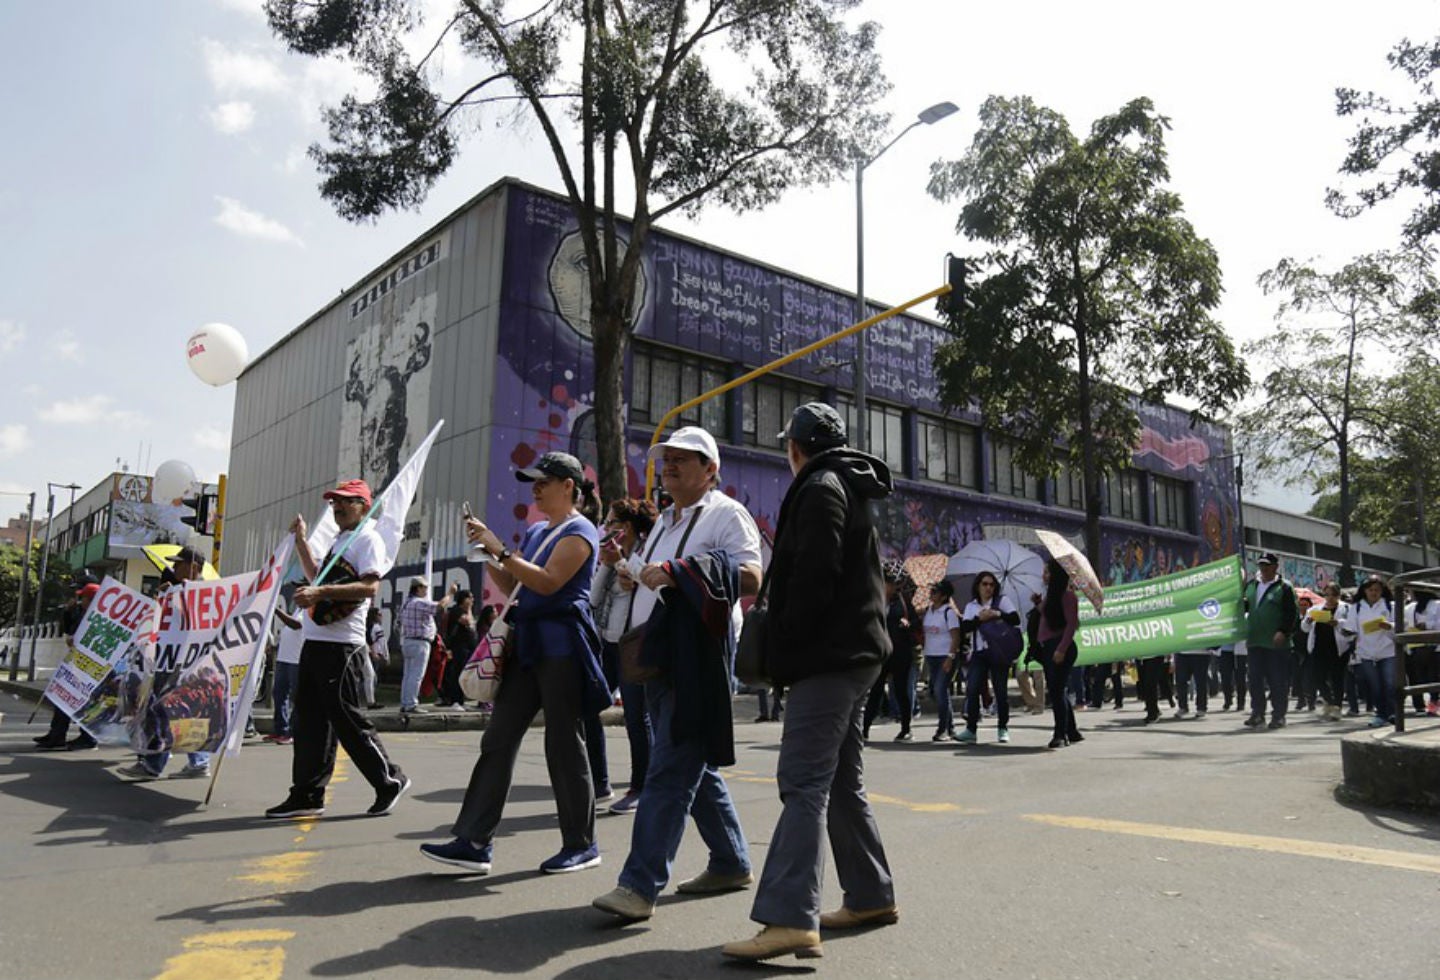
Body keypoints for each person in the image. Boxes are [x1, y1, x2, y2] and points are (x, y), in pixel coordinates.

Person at [722, 402, 896, 962]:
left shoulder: (820, 487)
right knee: (841, 780)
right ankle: (870, 895)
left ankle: (789, 917)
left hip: (829, 658)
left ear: (794, 448)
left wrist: (786, 644)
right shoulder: (847, 483)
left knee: (803, 783)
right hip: (855, 654)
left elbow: (815, 579)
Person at [592, 426, 762, 922]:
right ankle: (730, 862)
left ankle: (638, 885)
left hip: (699, 654)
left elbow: (751, 576)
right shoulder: (665, 519)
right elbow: (655, 577)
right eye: (666, 458)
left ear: (710, 469)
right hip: (658, 652)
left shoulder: (727, 513)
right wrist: (630, 569)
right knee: (692, 762)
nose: (669, 466)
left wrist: (681, 570)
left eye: (683, 459)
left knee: (669, 766)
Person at [420, 451, 610, 874]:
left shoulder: (581, 530)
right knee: (498, 738)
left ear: (569, 487)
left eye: (544, 482)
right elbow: (515, 585)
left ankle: (582, 844)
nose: (536, 489)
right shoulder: (540, 530)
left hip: (562, 645)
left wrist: (501, 550)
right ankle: (474, 841)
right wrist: (487, 554)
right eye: (533, 483)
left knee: (563, 743)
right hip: (527, 644)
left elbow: (549, 582)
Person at [265, 479, 411, 818]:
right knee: (309, 724)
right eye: (334, 502)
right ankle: (307, 795)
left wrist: (318, 593)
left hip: (342, 648)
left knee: (348, 721)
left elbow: (370, 587)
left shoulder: (368, 539)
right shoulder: (340, 540)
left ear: (365, 506)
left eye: (346, 501)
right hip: (315, 642)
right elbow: (316, 577)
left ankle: (390, 780)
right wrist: (301, 542)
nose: (338, 507)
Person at [586, 497, 659, 815]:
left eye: (611, 522)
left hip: (634, 645)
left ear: (626, 527)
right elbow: (592, 598)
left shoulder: (646, 553)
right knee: (589, 706)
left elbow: (643, 587)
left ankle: (642, 787)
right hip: (608, 643)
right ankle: (600, 782)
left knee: (636, 717)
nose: (605, 528)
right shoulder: (610, 554)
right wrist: (607, 563)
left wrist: (621, 564)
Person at [117, 548, 213, 780]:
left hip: (182, 664)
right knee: (178, 713)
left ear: (193, 566)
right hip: (173, 661)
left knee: (162, 711)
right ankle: (196, 762)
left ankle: (154, 764)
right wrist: (164, 599)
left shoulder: (203, 592)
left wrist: (176, 598)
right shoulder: (180, 591)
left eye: (179, 564)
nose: (174, 568)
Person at [34, 576, 101, 752]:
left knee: (87, 703)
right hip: (76, 664)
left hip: (91, 669)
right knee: (63, 697)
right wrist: (68, 613)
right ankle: (56, 734)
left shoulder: (99, 618)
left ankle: (88, 737)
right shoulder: (81, 613)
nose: (80, 601)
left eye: (83, 597)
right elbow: (70, 630)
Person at [956, 572, 1020, 744]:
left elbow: (1015, 619)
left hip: (999, 651)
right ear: (978, 586)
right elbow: (966, 627)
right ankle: (971, 729)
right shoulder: (971, 606)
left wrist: (997, 614)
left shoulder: (1002, 601)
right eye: (984, 584)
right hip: (979, 652)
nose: (988, 588)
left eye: (991, 585)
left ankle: (1002, 727)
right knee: (972, 689)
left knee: (1001, 691)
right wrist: (980, 618)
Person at [1242, 553, 1298, 731]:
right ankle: (1257, 713)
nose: (1264, 569)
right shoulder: (1251, 585)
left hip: (1276, 644)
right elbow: (1244, 608)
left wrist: (1283, 631)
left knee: (1277, 681)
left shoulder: (1284, 587)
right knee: (1255, 680)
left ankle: (1278, 715)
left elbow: (1292, 613)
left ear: (1275, 567)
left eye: (1267, 565)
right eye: (1261, 565)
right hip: (1255, 641)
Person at [864, 561, 917, 741]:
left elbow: (915, 622)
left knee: (901, 691)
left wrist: (908, 624)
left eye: (893, 583)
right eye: (887, 582)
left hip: (900, 651)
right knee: (876, 690)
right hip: (879, 652)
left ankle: (906, 728)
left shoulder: (903, 601)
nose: (890, 587)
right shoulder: (874, 600)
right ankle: (864, 729)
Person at [1037, 558, 1081, 749]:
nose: (1044, 575)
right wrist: (1038, 603)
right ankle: (1072, 730)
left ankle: (1060, 735)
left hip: (1061, 647)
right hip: (1048, 647)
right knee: (1057, 690)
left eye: (1047, 572)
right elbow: (1047, 615)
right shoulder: (1051, 596)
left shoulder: (1069, 596)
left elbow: (1071, 625)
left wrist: (1061, 649)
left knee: (1056, 691)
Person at [1345, 575, 1397, 728]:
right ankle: (1380, 714)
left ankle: (1392, 713)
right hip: (1366, 652)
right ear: (1364, 591)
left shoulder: (1389, 605)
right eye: (1371, 590)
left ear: (1382, 591)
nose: (1374, 593)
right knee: (1375, 685)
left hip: (1387, 651)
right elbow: (1351, 628)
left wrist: (1389, 626)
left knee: (1389, 683)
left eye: (1377, 590)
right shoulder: (1357, 607)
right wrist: (1345, 631)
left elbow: (1401, 624)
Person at [398, 579, 456, 714]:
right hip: (420, 642)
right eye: (424, 587)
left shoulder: (406, 603)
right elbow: (440, 606)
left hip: (408, 640)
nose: (426, 590)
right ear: (418, 588)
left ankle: (405, 702)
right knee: (416, 675)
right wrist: (450, 593)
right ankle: (411, 704)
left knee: (408, 675)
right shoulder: (418, 602)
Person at [1300, 583, 1352, 721]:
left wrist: (1338, 623)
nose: (1330, 598)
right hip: (1319, 647)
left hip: (1337, 648)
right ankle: (1329, 701)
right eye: (1327, 594)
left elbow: (1352, 626)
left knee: (1337, 678)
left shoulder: (1346, 608)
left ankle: (1337, 706)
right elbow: (1304, 628)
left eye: (1333, 595)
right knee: (1318, 677)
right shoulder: (1315, 609)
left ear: (1338, 595)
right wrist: (1309, 620)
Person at [920, 580, 960, 741]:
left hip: (945, 656)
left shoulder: (949, 613)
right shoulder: (928, 611)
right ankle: (951, 728)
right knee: (939, 692)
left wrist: (950, 657)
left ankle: (942, 729)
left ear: (944, 596)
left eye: (935, 592)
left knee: (940, 690)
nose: (931, 594)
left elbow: (955, 637)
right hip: (931, 655)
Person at [264, 600, 304, 745]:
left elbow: (295, 625)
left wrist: (275, 610)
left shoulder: (309, 610)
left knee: (296, 697)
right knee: (279, 694)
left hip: (296, 660)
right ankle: (281, 729)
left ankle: (292, 732)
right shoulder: (298, 610)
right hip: (284, 658)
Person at [439, 590, 479, 710]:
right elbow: (468, 621)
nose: (472, 600)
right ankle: (455, 700)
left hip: (468, 646)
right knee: (457, 673)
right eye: (469, 598)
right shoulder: (457, 610)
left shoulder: (466, 611)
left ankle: (461, 700)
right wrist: (469, 609)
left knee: (464, 674)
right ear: (463, 599)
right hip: (459, 646)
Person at [1173, 649, 1213, 718]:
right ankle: (1182, 707)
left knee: (1201, 682)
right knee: (1180, 681)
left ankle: (1201, 707)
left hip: (1201, 653)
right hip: (1182, 653)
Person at [365, 604, 389, 709]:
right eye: (379, 614)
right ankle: (370, 700)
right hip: (374, 653)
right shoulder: (376, 628)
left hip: (369, 652)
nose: (381, 616)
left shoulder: (369, 627)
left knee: (369, 676)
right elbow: (381, 643)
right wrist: (385, 655)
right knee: (371, 676)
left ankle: (370, 699)